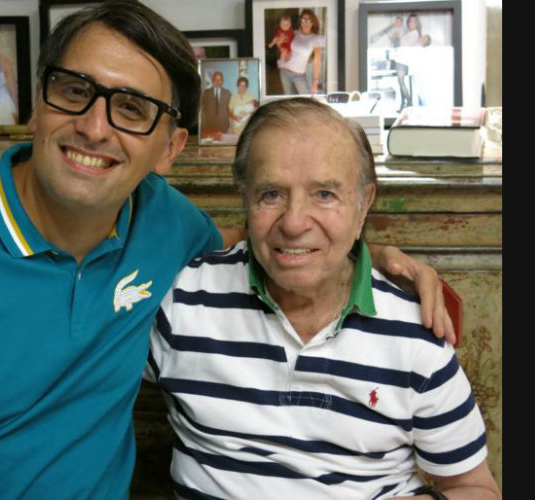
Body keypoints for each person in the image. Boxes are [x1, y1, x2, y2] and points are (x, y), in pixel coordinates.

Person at [0, 2, 454, 499]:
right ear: (36, 105)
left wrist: (371, 255)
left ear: (170, 149)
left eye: (132, 109)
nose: (95, 126)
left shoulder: (170, 229)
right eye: (75, 91)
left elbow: (272, 238)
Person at [145, 97, 500, 500]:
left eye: (325, 194)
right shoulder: (183, 301)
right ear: (245, 198)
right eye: (271, 194)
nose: (294, 222)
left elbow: (476, 489)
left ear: (363, 204)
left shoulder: (418, 336)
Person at [276, 9, 324, 95]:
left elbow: (317, 61)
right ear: (300, 22)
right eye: (303, 20)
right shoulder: (295, 33)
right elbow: (284, 48)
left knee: (306, 101)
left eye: (308, 20)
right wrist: (278, 44)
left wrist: (315, 82)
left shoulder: (316, 39)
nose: (305, 23)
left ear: (313, 22)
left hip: (299, 75)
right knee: (289, 103)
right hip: (284, 72)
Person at [392, 13, 421, 111]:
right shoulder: (407, 32)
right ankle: (403, 104)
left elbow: (402, 44)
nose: (411, 23)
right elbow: (396, 43)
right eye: (410, 21)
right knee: (400, 82)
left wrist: (398, 39)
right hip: (399, 59)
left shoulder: (414, 33)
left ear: (417, 23)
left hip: (404, 61)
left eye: (414, 21)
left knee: (401, 81)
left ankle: (409, 103)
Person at [200, 71, 232, 137]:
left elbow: (230, 109)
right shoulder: (206, 93)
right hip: (209, 125)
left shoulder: (228, 93)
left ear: (222, 81)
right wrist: (203, 125)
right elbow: (203, 110)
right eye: (216, 79)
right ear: (212, 80)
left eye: (220, 80)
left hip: (223, 125)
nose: (218, 82)